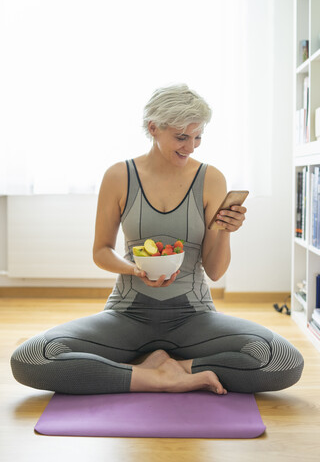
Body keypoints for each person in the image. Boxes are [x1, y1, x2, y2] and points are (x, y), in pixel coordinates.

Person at [11, 84, 304, 395]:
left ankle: (177, 368)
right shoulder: (119, 176)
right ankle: (153, 377)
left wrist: (225, 230)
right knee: (31, 358)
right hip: (127, 313)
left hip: (194, 316)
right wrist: (134, 270)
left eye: (198, 137)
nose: (191, 147)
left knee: (283, 360)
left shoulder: (211, 179)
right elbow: (101, 251)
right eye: (181, 137)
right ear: (153, 128)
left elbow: (216, 271)